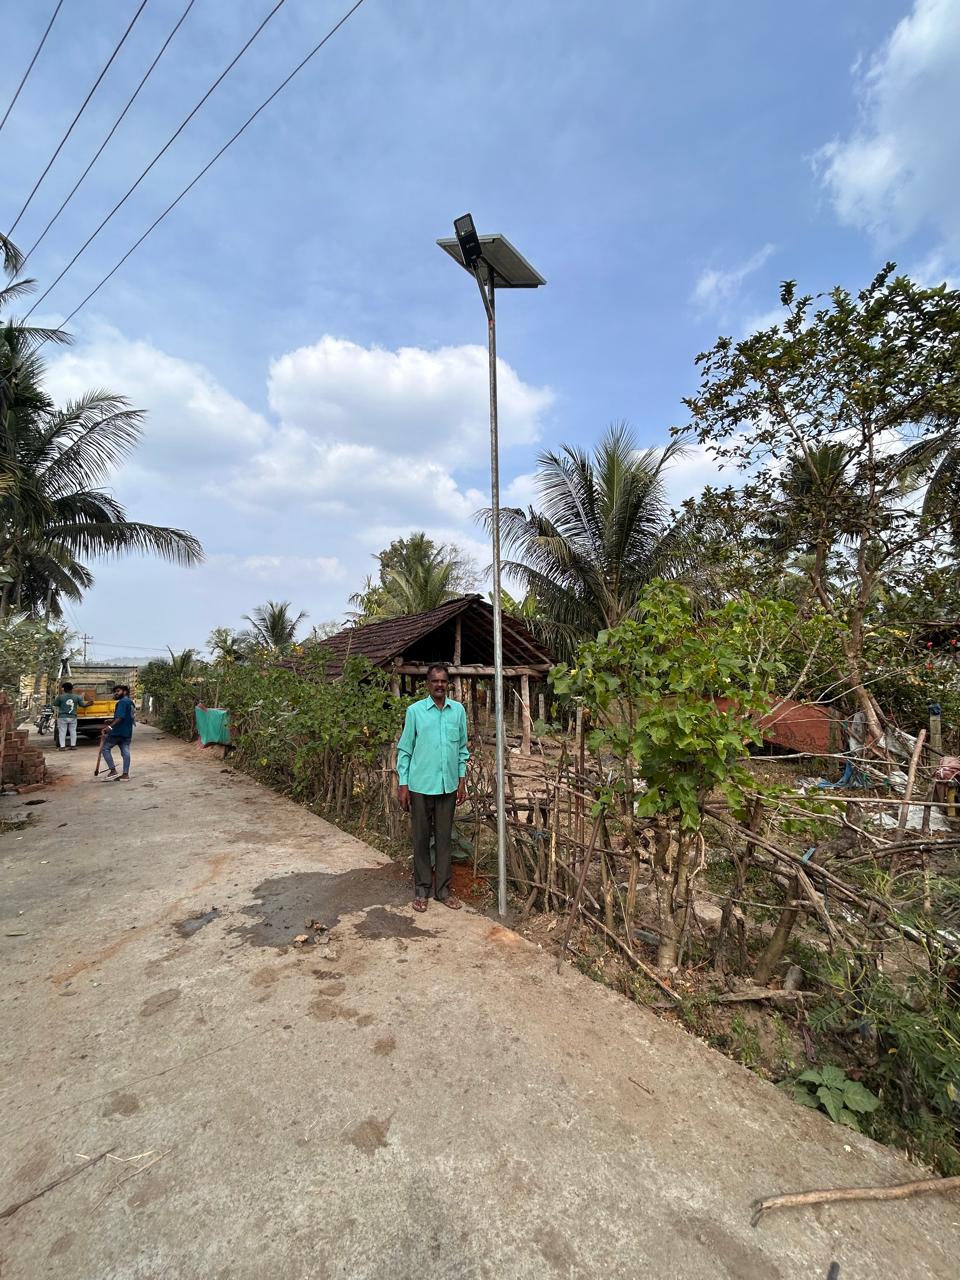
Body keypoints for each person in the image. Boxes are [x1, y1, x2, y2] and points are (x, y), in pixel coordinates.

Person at [396, 663, 469, 912]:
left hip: (448, 786)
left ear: (448, 684)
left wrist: (461, 779)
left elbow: (462, 749)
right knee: (420, 839)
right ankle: (421, 890)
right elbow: (405, 749)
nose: (439, 685)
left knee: (444, 839)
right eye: (435, 681)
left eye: (443, 681)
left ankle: (443, 891)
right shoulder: (415, 712)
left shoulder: (458, 711)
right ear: (428, 684)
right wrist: (403, 784)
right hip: (419, 785)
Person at [100, 684, 135, 781]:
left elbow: (120, 718)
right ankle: (125, 774)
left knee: (105, 748)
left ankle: (113, 771)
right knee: (125, 751)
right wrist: (111, 720)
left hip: (118, 731)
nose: (116, 693)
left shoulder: (122, 702)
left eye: (118, 691)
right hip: (127, 731)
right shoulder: (130, 702)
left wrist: (110, 727)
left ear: (125, 692)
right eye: (115, 691)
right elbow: (125, 717)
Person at [52, 681, 88, 751]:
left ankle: (62, 747)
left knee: (62, 732)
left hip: (62, 717)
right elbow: (82, 705)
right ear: (72, 689)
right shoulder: (77, 697)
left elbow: (55, 704)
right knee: (73, 731)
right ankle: (73, 746)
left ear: (64, 689)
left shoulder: (60, 697)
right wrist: (89, 704)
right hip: (73, 717)